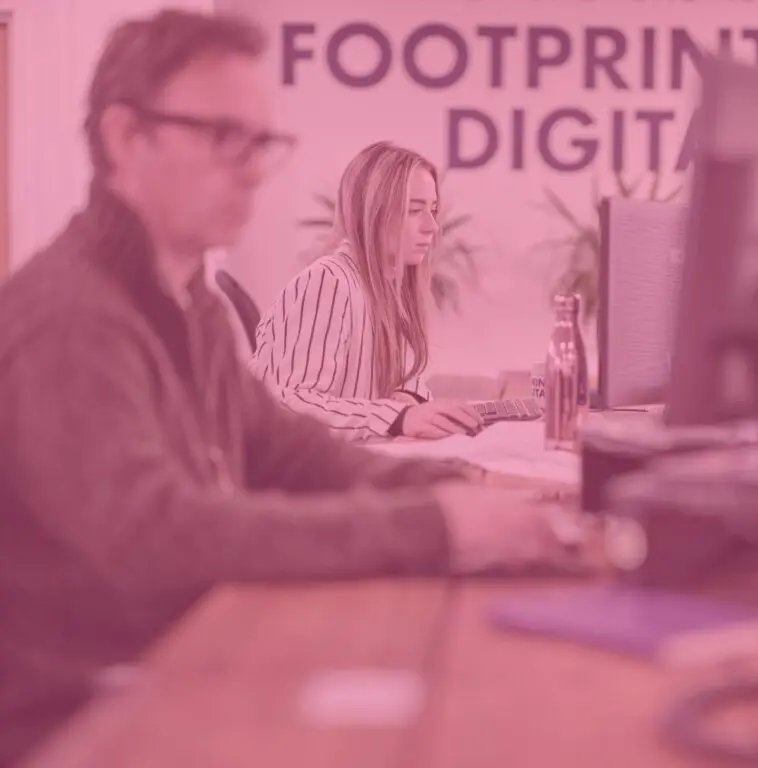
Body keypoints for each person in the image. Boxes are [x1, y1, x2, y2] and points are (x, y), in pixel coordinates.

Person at [0, 10, 573, 766]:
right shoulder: (73, 315)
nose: (251, 166)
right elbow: (155, 534)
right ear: (124, 139)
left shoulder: (183, 299)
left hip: (183, 655)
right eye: (221, 137)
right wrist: (434, 526)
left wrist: (460, 489)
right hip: (90, 714)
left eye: (260, 141)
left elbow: (290, 450)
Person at [251, 142, 484, 441]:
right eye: (414, 210)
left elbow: (393, 392)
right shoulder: (329, 282)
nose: (432, 227)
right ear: (371, 214)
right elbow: (289, 403)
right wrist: (396, 418)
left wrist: (407, 399)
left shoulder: (391, 289)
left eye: (433, 210)